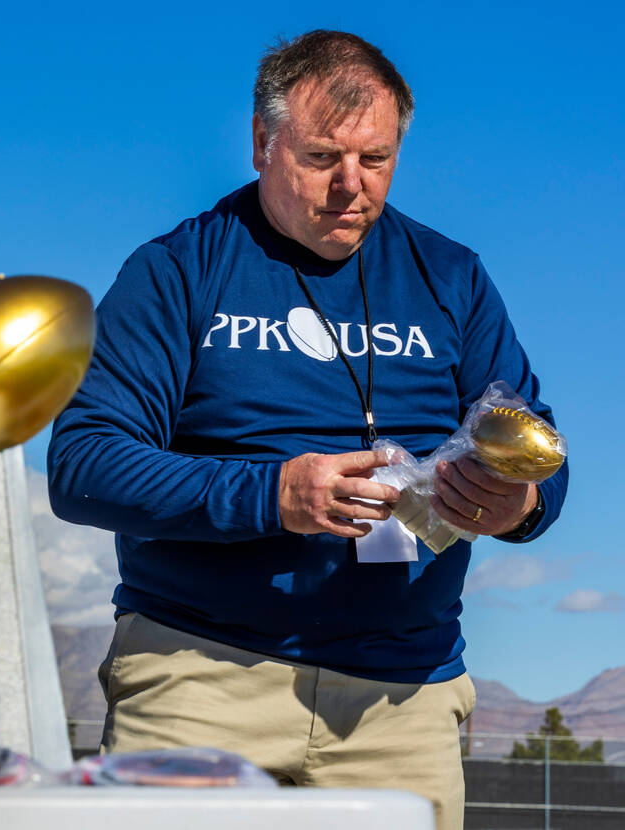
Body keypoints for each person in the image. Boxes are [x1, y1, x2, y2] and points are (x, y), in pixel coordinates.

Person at [46, 30, 568, 830]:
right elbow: (84, 465)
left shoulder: (453, 276)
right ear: (262, 141)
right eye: (324, 156)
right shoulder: (178, 270)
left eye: (378, 159)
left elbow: (540, 449)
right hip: (202, 680)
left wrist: (518, 506)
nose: (351, 188)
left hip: (402, 701)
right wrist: (274, 495)